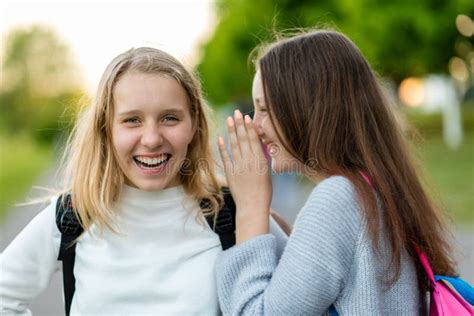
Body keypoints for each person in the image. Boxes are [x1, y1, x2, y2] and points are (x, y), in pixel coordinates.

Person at [0, 47, 288, 315]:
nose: (151, 139)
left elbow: (307, 297)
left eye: (170, 118)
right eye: (132, 120)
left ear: (194, 125)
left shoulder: (231, 211)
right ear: (106, 129)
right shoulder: (75, 214)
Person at [216, 29, 457, 315]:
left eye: (265, 109)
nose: (256, 126)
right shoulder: (371, 188)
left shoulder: (338, 198)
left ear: (309, 109)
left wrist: (250, 207)